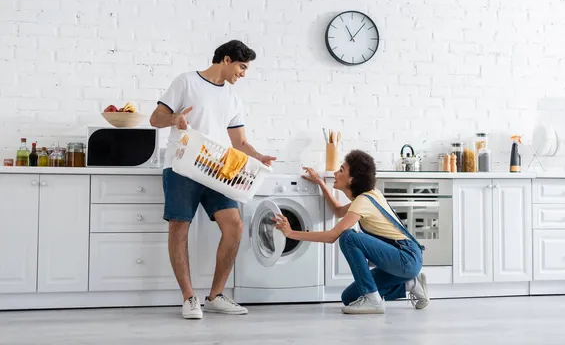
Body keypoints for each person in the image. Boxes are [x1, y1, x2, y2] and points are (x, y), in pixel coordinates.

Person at [149, 40, 276, 319]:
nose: (243, 73)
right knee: (179, 228)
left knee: (234, 226)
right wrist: (175, 119)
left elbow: (240, 141)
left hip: (217, 170)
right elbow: (155, 118)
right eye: (242, 67)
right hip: (182, 165)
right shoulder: (186, 82)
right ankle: (189, 298)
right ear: (227, 59)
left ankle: (215, 296)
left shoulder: (232, 98)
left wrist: (258, 156)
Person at [273, 150, 429, 314]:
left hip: (406, 258)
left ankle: (373, 300)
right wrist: (320, 183)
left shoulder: (363, 201)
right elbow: (338, 211)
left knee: (348, 237)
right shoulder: (368, 196)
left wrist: (291, 234)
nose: (335, 173)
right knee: (350, 298)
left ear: (352, 179)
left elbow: (333, 236)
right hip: (403, 261)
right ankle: (411, 284)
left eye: (341, 170)